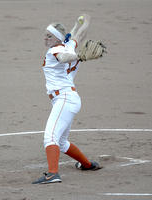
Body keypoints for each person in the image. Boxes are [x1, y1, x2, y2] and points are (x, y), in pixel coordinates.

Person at [32, 14, 101, 184]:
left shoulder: (56, 51)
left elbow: (63, 58)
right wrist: (87, 21)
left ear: (58, 38)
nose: (45, 38)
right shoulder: (69, 45)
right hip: (68, 99)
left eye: (49, 36)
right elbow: (80, 35)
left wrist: (77, 56)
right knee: (61, 142)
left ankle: (52, 174)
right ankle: (87, 165)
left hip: (64, 99)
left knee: (50, 137)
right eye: (45, 34)